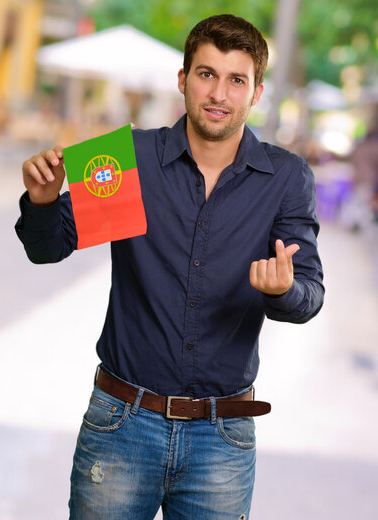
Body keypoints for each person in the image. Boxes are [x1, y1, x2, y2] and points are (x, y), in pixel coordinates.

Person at [16, 14, 324, 519]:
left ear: (257, 92)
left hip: (221, 438)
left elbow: (309, 293)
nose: (219, 93)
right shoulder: (127, 157)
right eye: (206, 74)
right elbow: (46, 248)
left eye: (236, 80)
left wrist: (282, 291)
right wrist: (46, 202)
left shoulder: (286, 178)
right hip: (122, 424)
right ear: (182, 80)